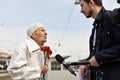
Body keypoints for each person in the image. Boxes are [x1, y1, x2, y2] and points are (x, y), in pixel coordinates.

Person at [78, 0, 120, 80]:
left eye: (82, 5)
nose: (81, 10)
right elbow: (94, 55)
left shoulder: (111, 18)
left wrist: (100, 57)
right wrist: (87, 64)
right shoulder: (94, 29)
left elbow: (98, 56)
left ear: (91, 3)